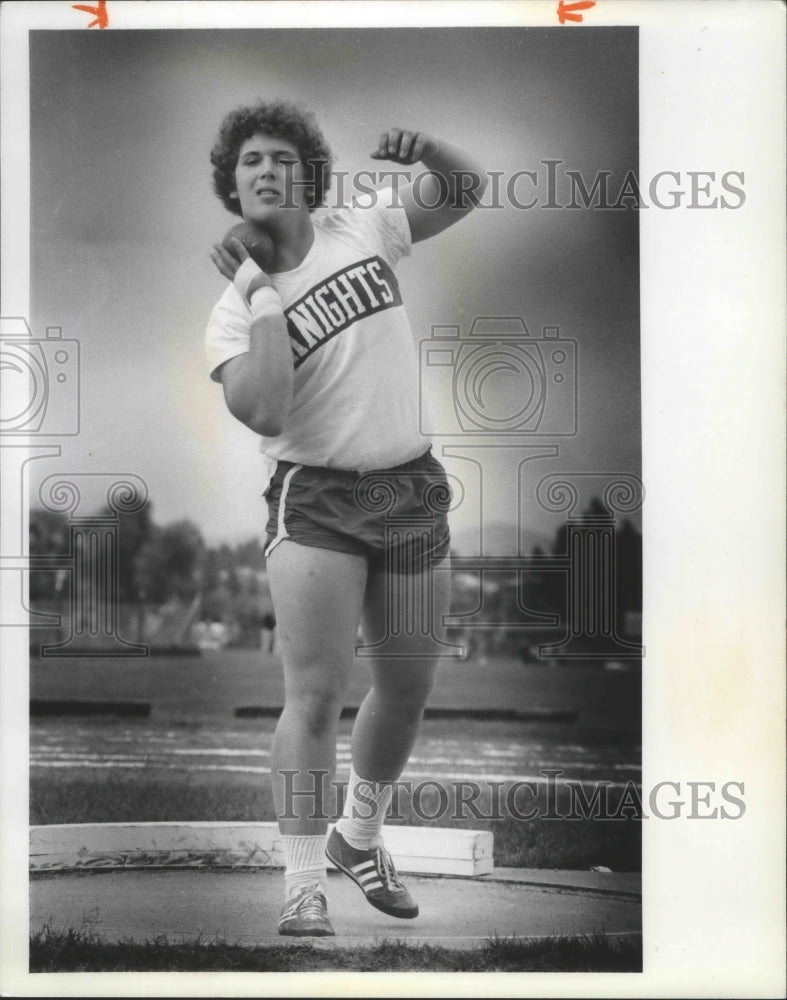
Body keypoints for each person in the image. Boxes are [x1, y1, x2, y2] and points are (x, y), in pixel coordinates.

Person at [205, 100, 486, 936]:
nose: (265, 168)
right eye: (249, 160)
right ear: (231, 183)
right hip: (318, 499)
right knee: (314, 695)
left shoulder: (360, 224)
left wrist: (427, 139)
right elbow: (264, 409)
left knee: (406, 687)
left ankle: (358, 838)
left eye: (281, 157)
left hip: (409, 483)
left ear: (308, 174)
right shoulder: (229, 311)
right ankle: (300, 884)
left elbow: (466, 188)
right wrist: (258, 293)